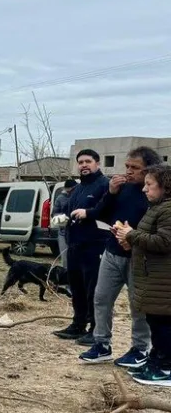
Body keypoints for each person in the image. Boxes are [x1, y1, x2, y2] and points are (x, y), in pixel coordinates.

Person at [71, 147, 159, 365]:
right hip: (112, 252)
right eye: (127, 166)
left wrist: (133, 237)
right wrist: (110, 192)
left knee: (137, 305)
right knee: (101, 298)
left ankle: (140, 348)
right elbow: (102, 212)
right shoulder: (122, 187)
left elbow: (159, 228)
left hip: (138, 256)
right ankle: (102, 344)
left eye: (135, 168)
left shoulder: (156, 194)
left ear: (149, 170)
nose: (129, 172)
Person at [114, 163, 171, 386]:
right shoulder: (157, 207)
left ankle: (166, 369)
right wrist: (129, 240)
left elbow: (165, 242)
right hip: (153, 281)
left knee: (164, 326)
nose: (144, 189)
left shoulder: (168, 210)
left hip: (163, 284)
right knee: (156, 324)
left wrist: (132, 234)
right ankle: (157, 360)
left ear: (165, 187)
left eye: (149, 185)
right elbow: (150, 241)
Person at [53, 150, 109, 341]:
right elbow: (70, 213)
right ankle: (78, 324)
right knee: (76, 287)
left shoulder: (105, 185)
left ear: (97, 163)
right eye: (81, 162)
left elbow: (108, 212)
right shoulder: (77, 189)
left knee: (94, 289)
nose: (84, 165)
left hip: (95, 246)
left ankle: (96, 329)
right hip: (74, 244)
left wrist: (90, 213)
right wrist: (61, 219)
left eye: (88, 161)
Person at [51, 179, 77, 268]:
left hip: (78, 232)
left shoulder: (79, 196)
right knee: (65, 259)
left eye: (72, 190)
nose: (70, 192)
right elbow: (54, 215)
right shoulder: (60, 198)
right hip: (63, 233)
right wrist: (64, 219)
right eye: (68, 190)